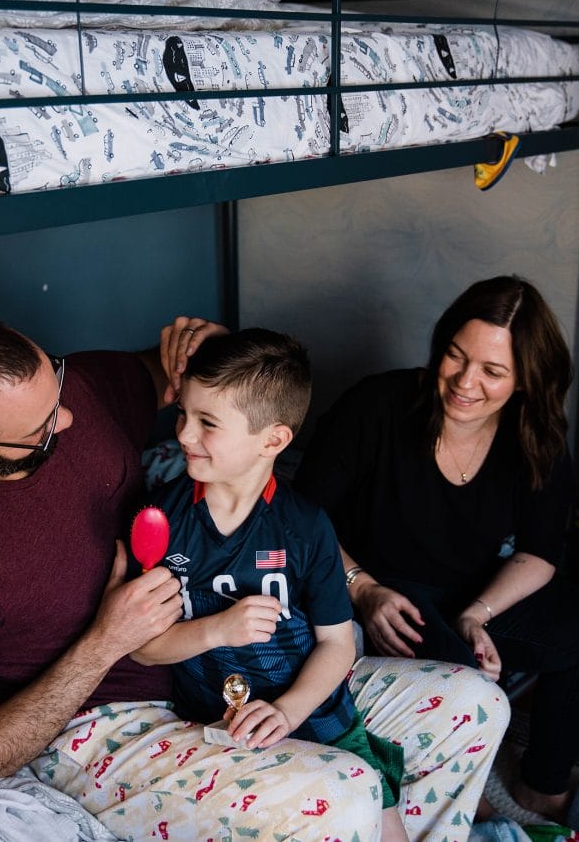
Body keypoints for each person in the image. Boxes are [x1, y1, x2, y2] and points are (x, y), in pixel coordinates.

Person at [0, 305, 510, 841]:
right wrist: (107, 640)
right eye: (43, 429)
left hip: (229, 680)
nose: (68, 420)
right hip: (107, 725)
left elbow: (200, 378)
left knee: (476, 704)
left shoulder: (76, 392)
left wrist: (198, 338)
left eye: (59, 390)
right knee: (346, 792)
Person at [295, 275, 579, 822]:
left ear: (525, 380)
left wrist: (480, 612)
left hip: (471, 589)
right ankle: (429, 809)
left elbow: (540, 552)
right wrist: (362, 589)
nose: (465, 382)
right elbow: (300, 518)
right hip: (379, 586)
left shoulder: (534, 434)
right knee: (467, 685)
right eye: (455, 357)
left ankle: (539, 787)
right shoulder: (378, 404)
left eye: (492, 371)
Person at [130, 329, 408, 842]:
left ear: (273, 440)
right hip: (212, 726)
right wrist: (217, 629)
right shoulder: (162, 518)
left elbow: (337, 644)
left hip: (314, 713)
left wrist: (287, 710)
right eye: (183, 415)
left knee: (384, 827)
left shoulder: (305, 527)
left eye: (207, 423)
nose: (184, 435)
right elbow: (143, 648)